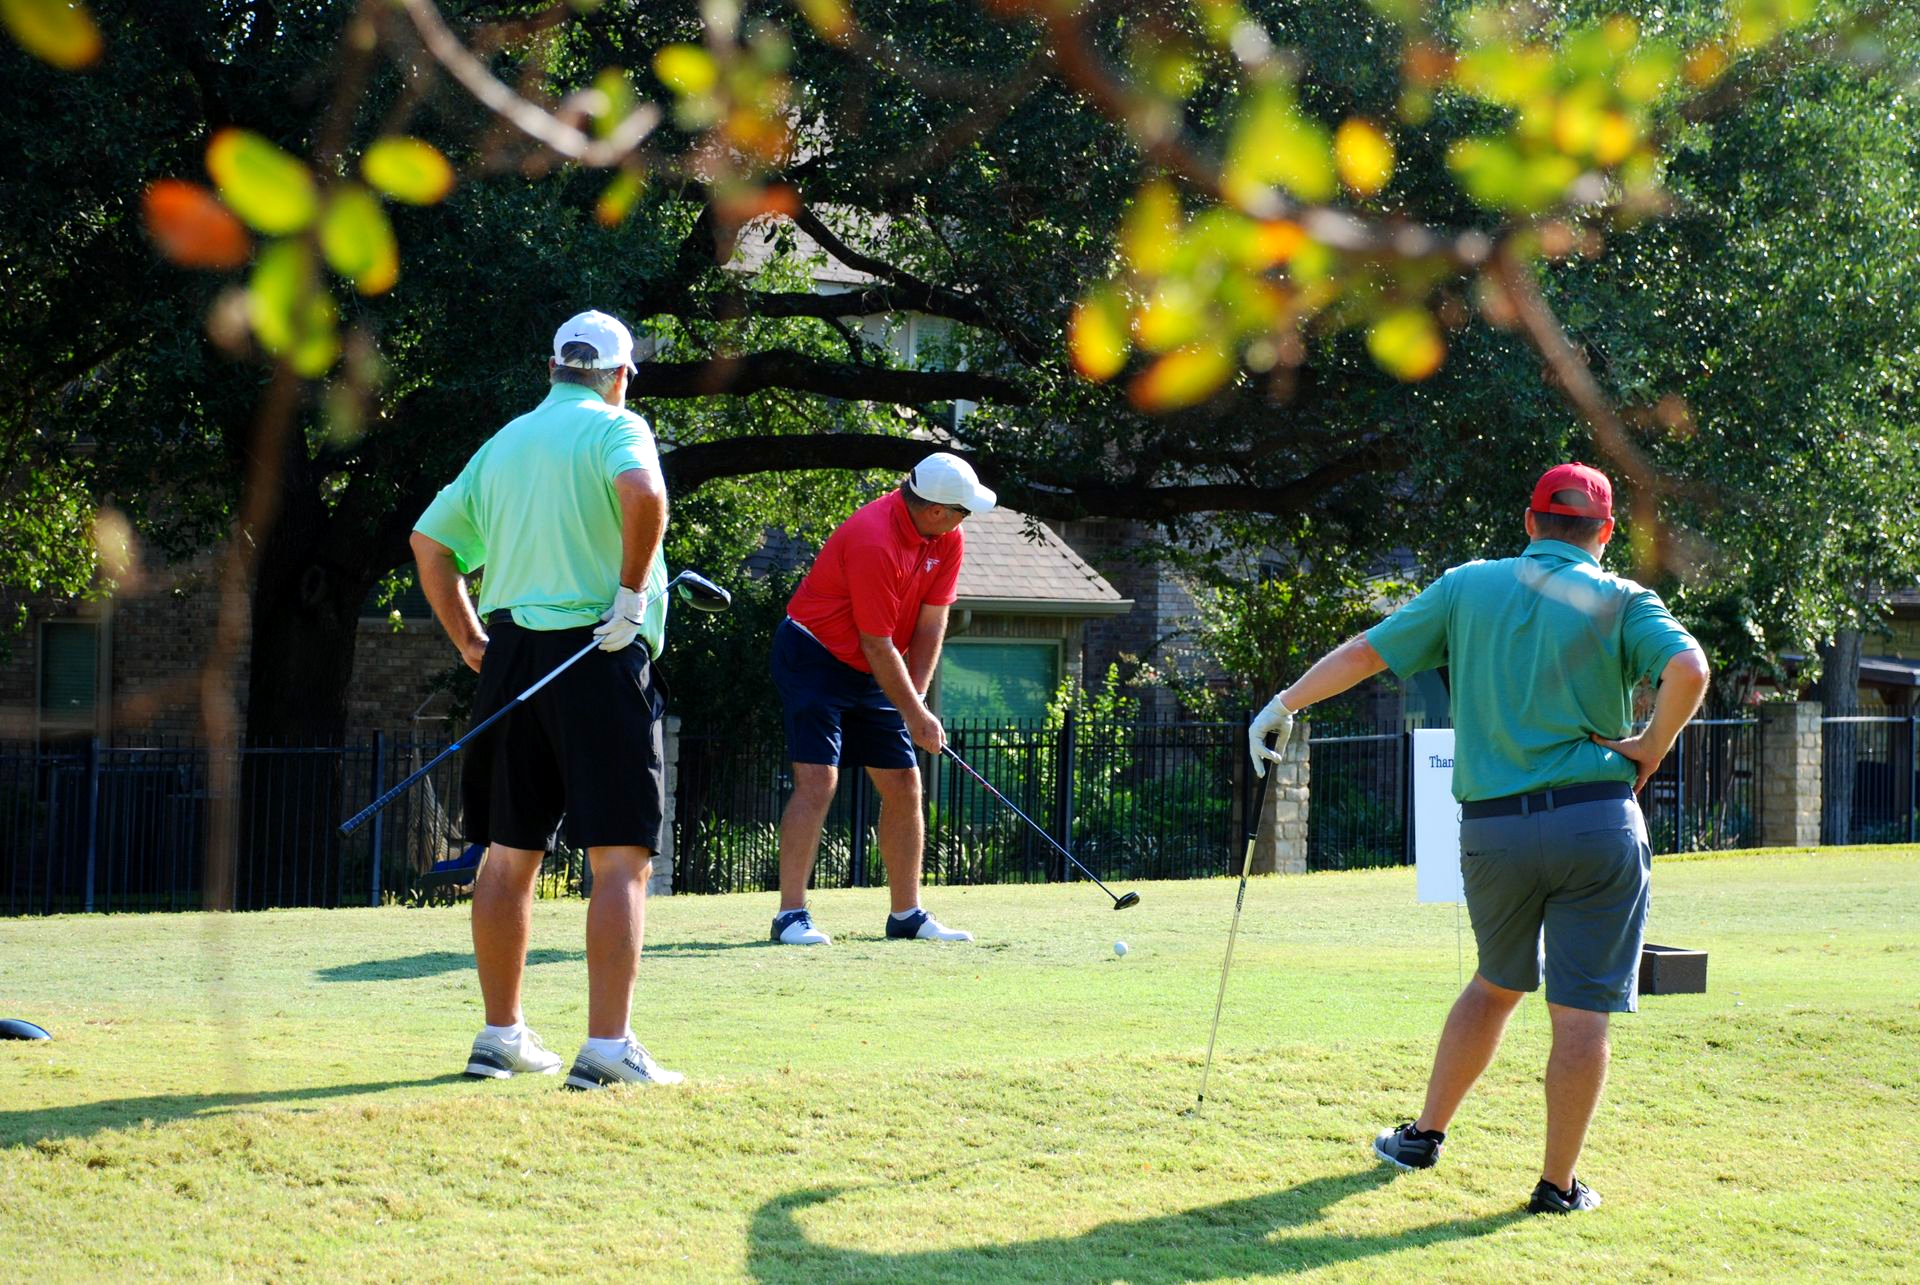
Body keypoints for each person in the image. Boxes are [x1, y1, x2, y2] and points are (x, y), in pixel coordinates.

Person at [1248, 462, 1709, 1214]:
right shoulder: (1624, 597)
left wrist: (1283, 702)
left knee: (1496, 984)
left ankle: (1423, 1136)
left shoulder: (1468, 585)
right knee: (1582, 1009)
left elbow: (1369, 650)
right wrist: (1650, 745)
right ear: (1605, 533)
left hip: (1494, 829)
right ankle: (1556, 1186)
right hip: (1596, 818)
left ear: (1529, 522)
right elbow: (1689, 666)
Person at [411, 309, 684, 1090]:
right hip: (598, 649)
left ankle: (500, 1036)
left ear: (553, 369)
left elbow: (430, 544)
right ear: (620, 374)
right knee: (621, 856)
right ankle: (606, 1048)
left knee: (507, 849)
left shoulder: (504, 442)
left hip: (513, 656)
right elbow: (643, 495)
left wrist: (470, 641)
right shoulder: (613, 428)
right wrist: (632, 596)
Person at [766, 453, 996, 945]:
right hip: (814, 655)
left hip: (873, 661)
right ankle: (789, 915)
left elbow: (932, 622)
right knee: (818, 782)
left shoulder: (947, 537)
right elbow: (876, 641)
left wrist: (914, 701)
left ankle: (906, 915)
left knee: (905, 782)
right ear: (934, 509)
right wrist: (915, 714)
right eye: (962, 510)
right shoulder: (874, 539)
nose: (966, 518)